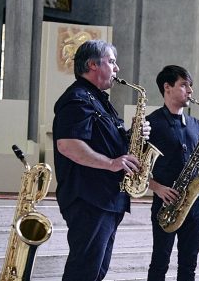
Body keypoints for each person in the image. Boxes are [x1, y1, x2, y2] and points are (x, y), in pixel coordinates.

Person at [53, 40, 149, 281]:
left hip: (106, 198)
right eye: (112, 62)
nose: (117, 69)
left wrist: (132, 135)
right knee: (84, 271)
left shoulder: (99, 100)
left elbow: (105, 142)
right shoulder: (77, 99)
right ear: (92, 64)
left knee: (96, 271)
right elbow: (67, 144)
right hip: (89, 198)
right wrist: (111, 163)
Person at [146, 65, 199, 281]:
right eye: (184, 85)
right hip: (166, 202)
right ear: (167, 87)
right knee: (160, 262)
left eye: (191, 86)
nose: (190, 91)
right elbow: (136, 167)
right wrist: (158, 188)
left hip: (194, 205)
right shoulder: (151, 123)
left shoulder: (196, 124)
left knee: (189, 265)